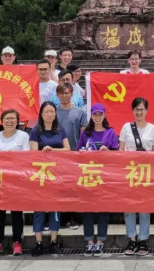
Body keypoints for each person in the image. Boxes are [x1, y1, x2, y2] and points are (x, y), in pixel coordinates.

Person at [0, 109, 30, 257]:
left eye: (12, 119)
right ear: (2, 121)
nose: (9, 121)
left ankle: (17, 242)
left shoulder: (23, 136)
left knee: (17, 213)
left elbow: (27, 155)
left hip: (16, 180)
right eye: (7, 119)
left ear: (17, 121)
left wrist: (11, 156)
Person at [119, 97, 154, 256]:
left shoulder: (153, 129)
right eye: (136, 109)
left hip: (146, 173)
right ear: (132, 111)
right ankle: (131, 238)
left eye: (142, 109)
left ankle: (143, 240)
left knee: (144, 209)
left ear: (147, 110)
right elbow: (121, 152)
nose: (139, 112)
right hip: (129, 173)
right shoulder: (126, 127)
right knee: (129, 208)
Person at [29, 102, 70, 257]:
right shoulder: (35, 131)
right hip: (40, 176)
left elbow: (68, 149)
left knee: (55, 208)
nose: (49, 114)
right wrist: (43, 152)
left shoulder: (60, 130)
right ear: (41, 114)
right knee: (38, 209)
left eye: (52, 111)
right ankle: (38, 242)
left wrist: (53, 150)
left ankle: (54, 241)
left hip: (56, 175)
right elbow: (33, 153)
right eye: (46, 111)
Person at [78, 104, 119, 257]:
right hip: (88, 176)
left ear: (104, 115)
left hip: (105, 177)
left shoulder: (110, 132)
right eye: (95, 114)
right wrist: (83, 152)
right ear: (91, 115)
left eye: (100, 114)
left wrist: (107, 151)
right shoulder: (85, 133)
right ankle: (89, 241)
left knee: (103, 210)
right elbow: (78, 151)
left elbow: (117, 153)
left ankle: (100, 241)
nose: (97, 117)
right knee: (87, 210)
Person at [53, 83, 87, 230]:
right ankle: (58, 218)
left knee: (72, 187)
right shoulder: (53, 112)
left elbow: (83, 134)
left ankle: (71, 217)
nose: (64, 96)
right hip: (57, 154)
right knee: (58, 187)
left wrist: (81, 151)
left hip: (74, 154)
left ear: (72, 94)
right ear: (57, 95)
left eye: (67, 93)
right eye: (61, 93)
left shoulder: (79, 112)